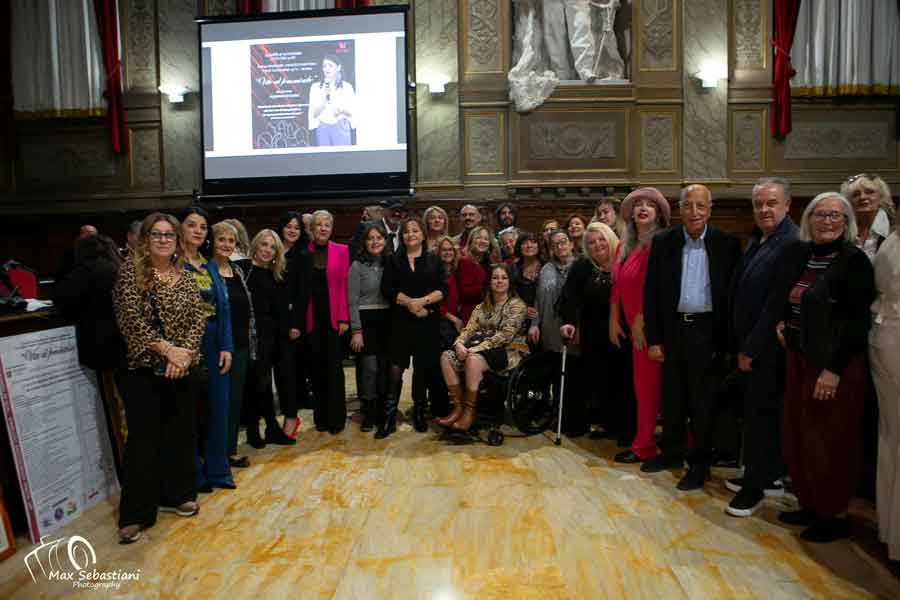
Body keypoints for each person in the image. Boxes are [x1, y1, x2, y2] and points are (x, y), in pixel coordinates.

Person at [769, 192, 875, 543]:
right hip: (799, 358)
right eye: (820, 214)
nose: (827, 221)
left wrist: (834, 370)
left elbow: (858, 323)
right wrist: (784, 322)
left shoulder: (854, 261)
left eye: (835, 215)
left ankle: (834, 514)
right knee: (799, 436)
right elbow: (795, 299)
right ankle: (811, 504)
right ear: (808, 220)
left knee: (831, 441)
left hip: (834, 366)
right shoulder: (804, 256)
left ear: (846, 222)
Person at [112, 213, 205, 544]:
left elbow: (198, 317)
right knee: (143, 440)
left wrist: (185, 354)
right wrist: (168, 350)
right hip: (142, 369)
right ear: (145, 239)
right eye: (157, 234)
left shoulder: (184, 275)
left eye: (169, 235)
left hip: (181, 367)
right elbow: (131, 321)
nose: (164, 240)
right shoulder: (130, 274)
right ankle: (136, 513)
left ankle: (178, 495)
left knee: (180, 433)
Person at [642, 185, 742, 491]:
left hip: (708, 333)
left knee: (702, 404)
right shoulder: (663, 242)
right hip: (673, 331)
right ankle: (671, 453)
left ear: (710, 210)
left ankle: (700, 465)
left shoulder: (728, 243)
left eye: (701, 206)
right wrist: (654, 339)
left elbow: (735, 295)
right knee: (672, 399)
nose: (695, 212)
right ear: (680, 209)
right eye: (688, 206)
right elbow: (652, 294)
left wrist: (728, 344)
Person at [725, 178, 799, 517]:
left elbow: (775, 303)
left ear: (787, 205)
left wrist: (751, 348)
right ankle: (763, 475)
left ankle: (754, 489)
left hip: (766, 349)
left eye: (771, 203)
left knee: (761, 417)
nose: (764, 209)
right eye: (758, 204)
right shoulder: (761, 239)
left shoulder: (791, 242)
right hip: (751, 344)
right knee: (756, 414)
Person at [610, 188, 670, 465]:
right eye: (638, 205)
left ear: (658, 213)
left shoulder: (662, 243)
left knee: (652, 389)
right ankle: (645, 442)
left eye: (650, 205)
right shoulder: (624, 245)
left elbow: (661, 287)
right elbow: (617, 288)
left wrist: (640, 320)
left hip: (652, 326)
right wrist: (614, 318)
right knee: (643, 388)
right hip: (632, 325)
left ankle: (647, 446)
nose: (643, 208)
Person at [180, 207, 235, 493]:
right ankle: (194, 474)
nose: (199, 231)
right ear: (181, 229)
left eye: (203, 227)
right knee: (190, 413)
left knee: (218, 409)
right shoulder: (174, 264)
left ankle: (218, 470)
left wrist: (226, 345)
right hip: (187, 344)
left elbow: (223, 308)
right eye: (192, 225)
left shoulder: (209, 265)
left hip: (215, 341)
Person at [438, 264, 529, 430]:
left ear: (510, 282)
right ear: (489, 282)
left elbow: (505, 336)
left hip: (509, 351)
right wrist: (459, 343)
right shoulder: (481, 307)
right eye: (495, 278)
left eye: (503, 278)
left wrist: (478, 348)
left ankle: (469, 412)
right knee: (446, 356)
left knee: (473, 359)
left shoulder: (517, 305)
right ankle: (458, 408)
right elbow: (468, 329)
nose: (499, 281)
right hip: (483, 349)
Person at [381, 217, 447, 436]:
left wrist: (423, 303)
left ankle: (419, 410)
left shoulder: (433, 260)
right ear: (402, 236)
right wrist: (411, 303)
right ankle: (389, 415)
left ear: (422, 234)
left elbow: (441, 290)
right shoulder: (393, 260)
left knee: (422, 369)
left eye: (415, 231)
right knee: (395, 368)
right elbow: (387, 289)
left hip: (426, 322)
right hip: (399, 322)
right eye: (407, 232)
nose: (411, 235)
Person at [558, 222, 623, 439]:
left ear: (610, 238)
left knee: (620, 379)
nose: (597, 245)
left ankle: (620, 425)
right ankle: (602, 422)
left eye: (601, 239)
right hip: (593, 332)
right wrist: (570, 322)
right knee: (598, 379)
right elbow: (568, 298)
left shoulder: (623, 261)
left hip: (623, 331)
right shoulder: (582, 267)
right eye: (591, 242)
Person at [239, 230, 296, 448]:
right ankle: (256, 429)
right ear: (255, 245)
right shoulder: (243, 269)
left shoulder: (276, 273)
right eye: (264, 244)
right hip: (252, 335)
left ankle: (271, 428)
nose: (267, 250)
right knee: (257, 384)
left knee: (265, 384)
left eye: (272, 247)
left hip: (275, 336)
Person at [211, 221, 257, 469]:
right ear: (212, 241)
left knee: (234, 402)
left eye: (231, 241)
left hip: (240, 345)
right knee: (218, 404)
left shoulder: (236, 271)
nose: (227, 245)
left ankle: (228, 452)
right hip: (218, 347)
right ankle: (215, 455)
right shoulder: (207, 272)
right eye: (222, 240)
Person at [303, 210, 350, 434]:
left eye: (326, 225)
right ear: (311, 229)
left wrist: (344, 317)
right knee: (315, 369)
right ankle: (320, 418)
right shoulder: (304, 252)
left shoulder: (342, 251)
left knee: (334, 368)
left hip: (334, 318)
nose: (322, 228)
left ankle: (337, 418)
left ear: (331, 229)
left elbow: (344, 286)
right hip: (311, 319)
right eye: (318, 225)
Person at [870, 215, 900, 560]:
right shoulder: (891, 241)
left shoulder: (889, 239)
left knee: (890, 437)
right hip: (891, 340)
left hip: (882, 339)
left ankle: (891, 529)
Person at [348, 222, 392, 433]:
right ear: (364, 242)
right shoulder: (357, 266)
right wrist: (356, 331)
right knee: (369, 369)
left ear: (385, 240)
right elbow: (352, 301)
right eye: (370, 238)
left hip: (387, 320)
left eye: (379, 238)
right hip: (366, 321)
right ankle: (369, 411)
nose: (375, 242)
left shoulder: (391, 263)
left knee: (384, 370)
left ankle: (383, 411)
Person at [275, 211, 310, 437]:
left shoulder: (303, 256)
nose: (292, 231)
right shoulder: (272, 251)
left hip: (290, 324)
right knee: (276, 372)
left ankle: (291, 416)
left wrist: (296, 324)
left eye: (296, 227)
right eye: (288, 226)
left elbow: (302, 294)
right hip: (270, 322)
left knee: (287, 371)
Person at [840, 173, 895, 261]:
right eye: (855, 195)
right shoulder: (843, 231)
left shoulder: (894, 230)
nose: (862, 197)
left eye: (869, 192)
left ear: (881, 197)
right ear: (849, 202)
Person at [308, 54, 356, 147]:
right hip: (322, 127)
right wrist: (325, 98)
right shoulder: (316, 87)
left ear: (338, 67)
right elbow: (314, 114)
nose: (327, 69)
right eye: (324, 66)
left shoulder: (347, 87)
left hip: (341, 125)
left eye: (330, 65)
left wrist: (341, 110)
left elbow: (353, 112)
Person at [457, 226, 500, 325]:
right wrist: (490, 288)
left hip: (490, 315)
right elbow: (464, 293)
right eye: (478, 237)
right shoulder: (464, 261)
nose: (482, 241)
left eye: (486, 239)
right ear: (471, 240)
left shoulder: (491, 262)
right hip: (471, 315)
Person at [510, 232, 543, 339]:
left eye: (533, 242)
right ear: (519, 247)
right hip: (519, 320)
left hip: (545, 316)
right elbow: (506, 295)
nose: (529, 245)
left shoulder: (547, 266)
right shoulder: (513, 269)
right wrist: (522, 308)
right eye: (524, 243)